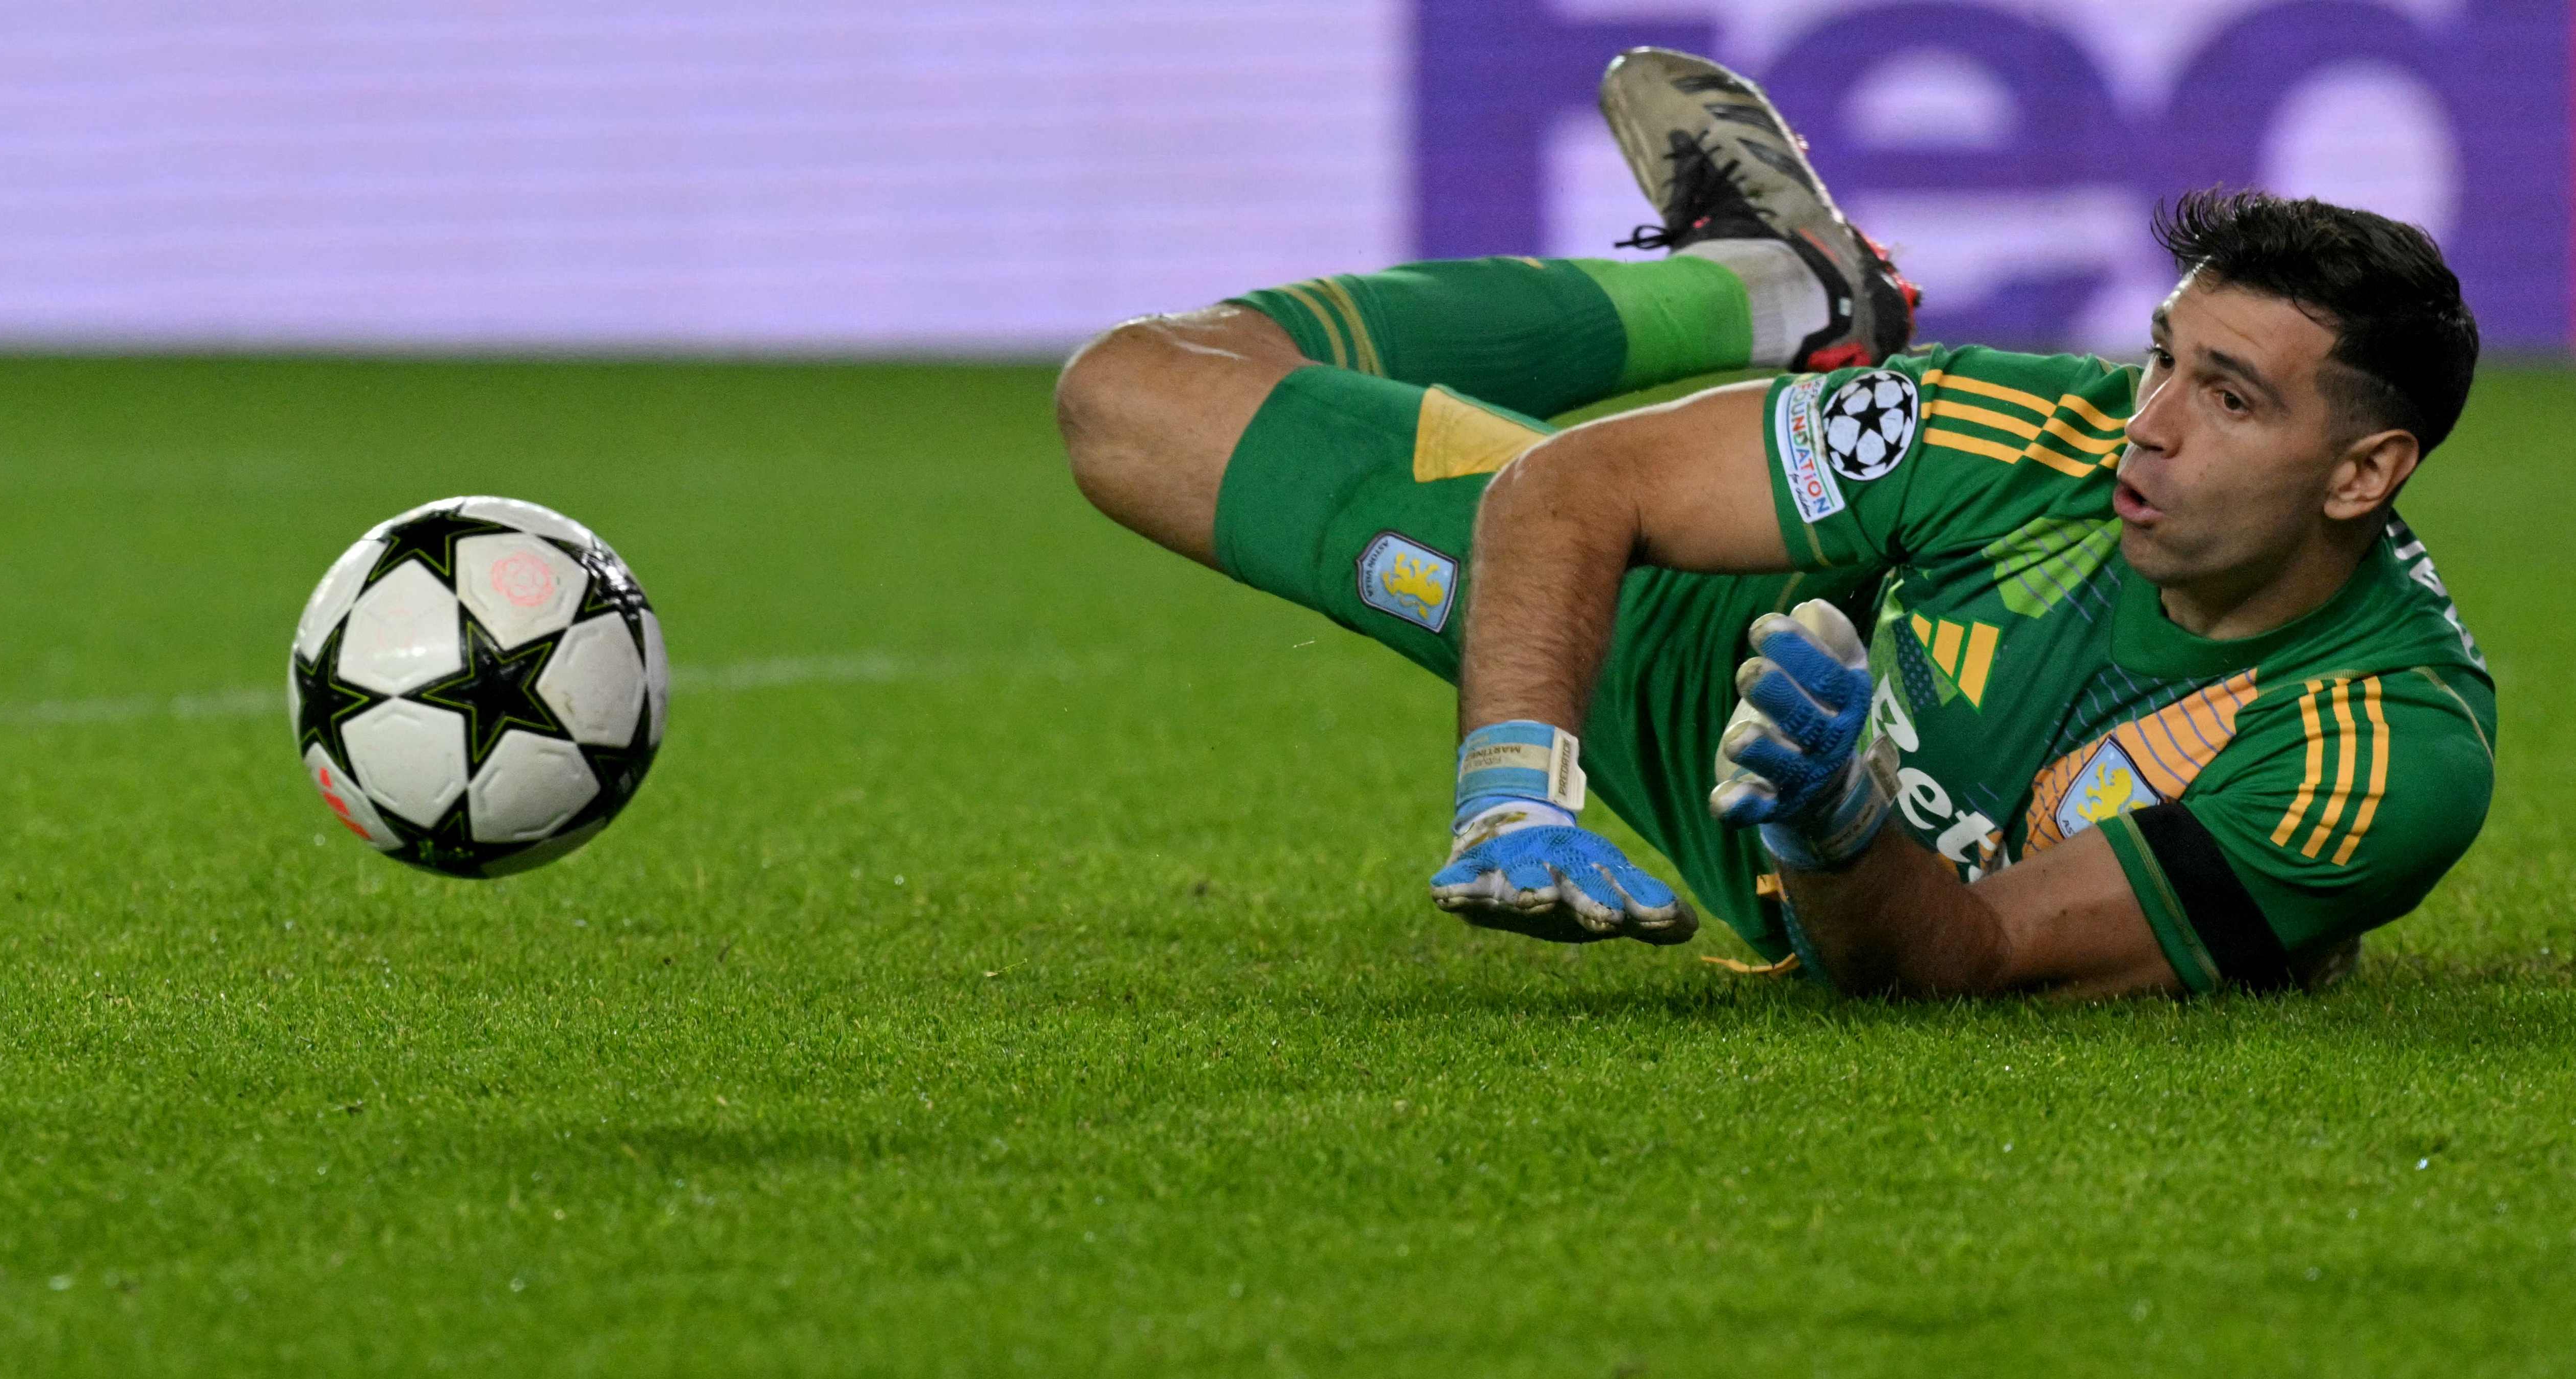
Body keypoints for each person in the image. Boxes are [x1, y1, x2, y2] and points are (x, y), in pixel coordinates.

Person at [1053, 47, 2493, 997]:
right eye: (2160, 358)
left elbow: (1968, 957)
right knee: (1133, 393)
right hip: (1716, 671)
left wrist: (1831, 815)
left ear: (2361, 475)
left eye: (2228, 399)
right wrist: (1512, 778)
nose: (2151, 423)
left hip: (1827, 804)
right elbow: (1569, 489)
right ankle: (1772, 293)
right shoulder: (2033, 425)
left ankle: (1778, 293)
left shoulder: (2379, 747)